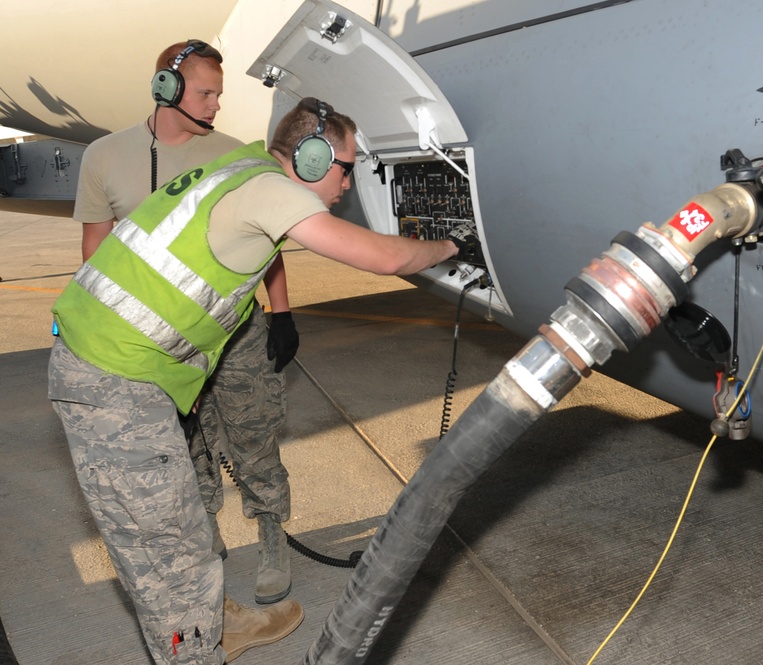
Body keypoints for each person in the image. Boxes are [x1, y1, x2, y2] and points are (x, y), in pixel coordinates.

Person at [49, 96, 462, 664]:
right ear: (313, 160)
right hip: (113, 383)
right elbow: (383, 258)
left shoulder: (238, 170)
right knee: (170, 562)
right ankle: (193, 652)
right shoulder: (272, 191)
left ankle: (218, 624)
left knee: (179, 528)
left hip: (118, 368)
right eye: (346, 167)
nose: (348, 182)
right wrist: (454, 244)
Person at [72, 39, 299, 608]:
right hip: (161, 342)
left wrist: (283, 313)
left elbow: (267, 244)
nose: (217, 104)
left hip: (238, 330)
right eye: (206, 92)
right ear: (166, 88)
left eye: (219, 94)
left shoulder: (234, 156)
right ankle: (209, 536)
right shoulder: (104, 156)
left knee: (254, 432)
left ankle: (272, 532)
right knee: (185, 445)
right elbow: (95, 256)